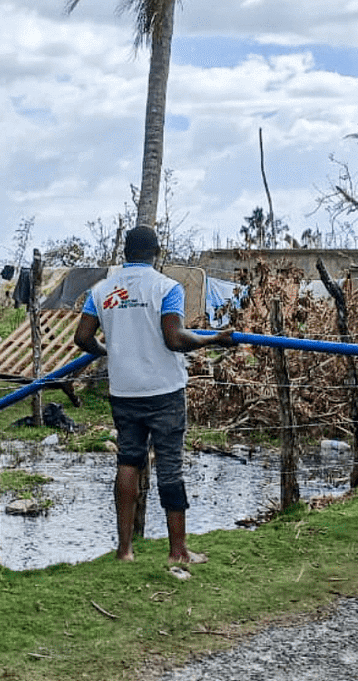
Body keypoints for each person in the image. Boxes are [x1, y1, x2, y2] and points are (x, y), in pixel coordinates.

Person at [74, 225, 235, 565]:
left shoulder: (102, 291)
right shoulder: (167, 288)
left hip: (124, 390)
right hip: (164, 391)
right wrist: (213, 339)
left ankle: (124, 550)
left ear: (125, 253)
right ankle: (178, 551)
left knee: (128, 462)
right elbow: (175, 338)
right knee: (170, 468)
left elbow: (83, 338)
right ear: (156, 253)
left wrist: (110, 350)